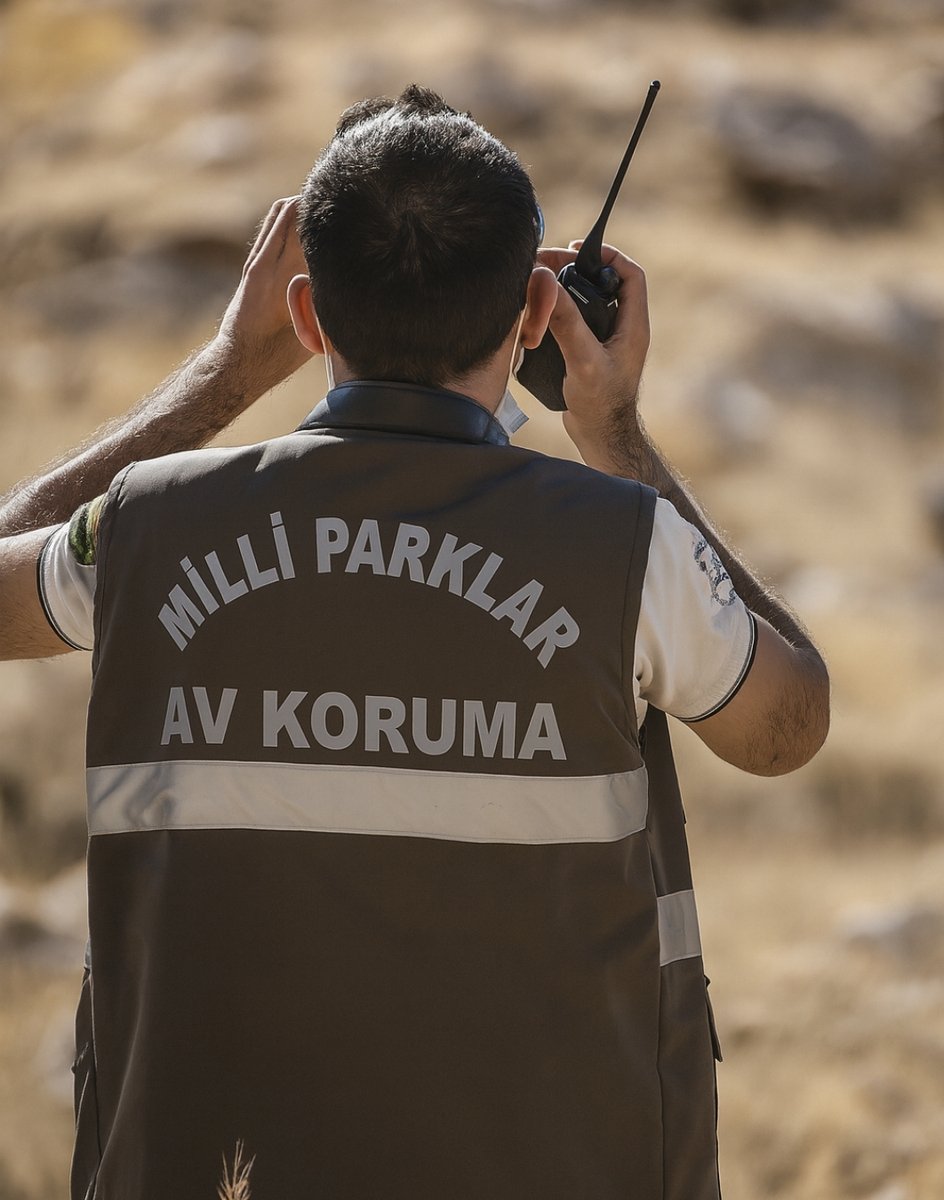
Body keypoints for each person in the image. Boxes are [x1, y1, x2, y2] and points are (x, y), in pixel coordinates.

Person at [0, 85, 828, 1200]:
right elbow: (788, 727)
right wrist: (617, 435)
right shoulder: (627, 549)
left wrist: (221, 377)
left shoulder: (147, 528)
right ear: (536, 315)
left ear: (306, 316)